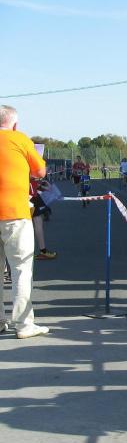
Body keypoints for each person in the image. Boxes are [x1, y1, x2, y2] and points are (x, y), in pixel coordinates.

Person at [0, 105, 49, 339]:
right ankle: (23, 324)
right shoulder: (20, 139)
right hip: (15, 214)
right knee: (21, 269)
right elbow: (40, 172)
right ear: (15, 124)